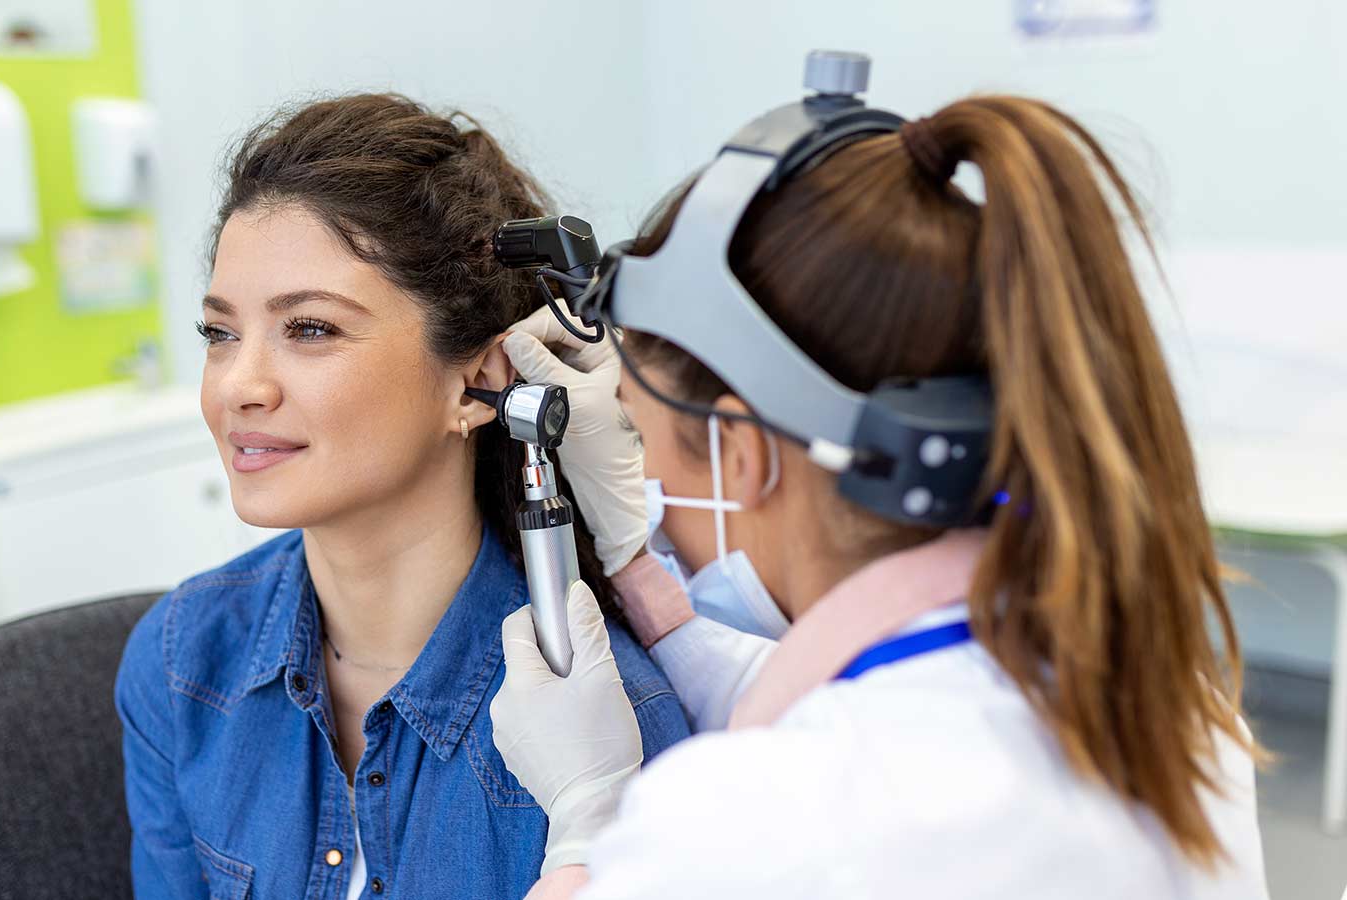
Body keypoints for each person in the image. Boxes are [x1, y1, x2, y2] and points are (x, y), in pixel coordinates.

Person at [490, 88, 1270, 898]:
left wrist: (586, 820)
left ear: (743, 456)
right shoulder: (1171, 708)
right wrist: (643, 581)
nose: (645, 489)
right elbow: (833, 694)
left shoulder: (750, 828)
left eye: (643, 442)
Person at [113, 93, 691, 900]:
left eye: (310, 328)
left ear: (478, 379)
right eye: (220, 333)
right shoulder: (182, 660)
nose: (238, 386)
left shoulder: (608, 730)